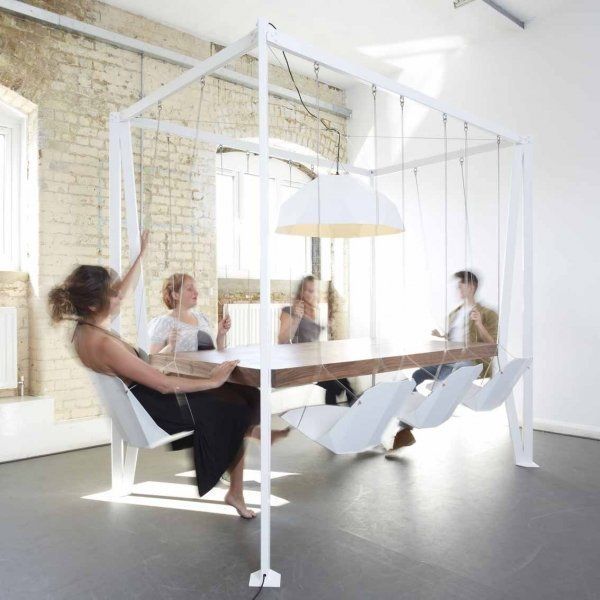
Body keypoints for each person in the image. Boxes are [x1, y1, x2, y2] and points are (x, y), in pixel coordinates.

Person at [48, 235, 258, 518]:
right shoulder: (103, 343)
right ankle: (234, 486)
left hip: (148, 399)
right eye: (113, 294)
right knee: (237, 405)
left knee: (247, 396)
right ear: (94, 305)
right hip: (158, 407)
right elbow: (162, 384)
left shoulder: (84, 330)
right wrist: (213, 381)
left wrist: (140, 256)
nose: (119, 297)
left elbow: (120, 291)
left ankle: (230, 457)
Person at [392, 270, 498, 451]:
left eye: (461, 286)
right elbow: (453, 341)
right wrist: (441, 337)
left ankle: (425, 415)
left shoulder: (488, 313)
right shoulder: (454, 314)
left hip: (471, 363)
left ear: (472, 287)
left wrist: (479, 324)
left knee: (444, 382)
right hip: (449, 361)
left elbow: (492, 345)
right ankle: (406, 427)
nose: (458, 289)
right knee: (416, 375)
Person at [278, 275, 357, 406]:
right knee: (336, 381)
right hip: (300, 362)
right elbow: (282, 340)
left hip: (316, 360)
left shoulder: (315, 310)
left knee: (338, 374)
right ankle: (352, 402)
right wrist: (296, 318)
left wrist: (328, 325)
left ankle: (343, 403)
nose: (309, 294)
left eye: (312, 291)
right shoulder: (289, 310)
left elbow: (315, 336)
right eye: (306, 290)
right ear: (300, 291)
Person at [148, 274, 230, 354]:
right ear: (175, 295)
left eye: (196, 289)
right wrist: (169, 346)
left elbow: (217, 353)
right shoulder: (163, 323)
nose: (196, 292)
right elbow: (152, 360)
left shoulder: (202, 318)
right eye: (190, 289)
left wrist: (221, 334)